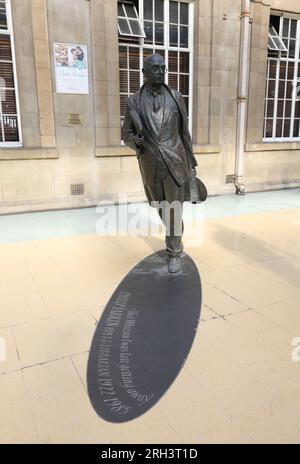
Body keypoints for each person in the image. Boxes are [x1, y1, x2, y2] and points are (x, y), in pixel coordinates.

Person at [122, 54, 198, 273]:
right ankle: (176, 235)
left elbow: (185, 132)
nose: (160, 71)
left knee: (174, 210)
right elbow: (126, 133)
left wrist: (191, 162)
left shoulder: (176, 97)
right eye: (155, 68)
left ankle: (173, 251)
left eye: (163, 68)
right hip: (150, 164)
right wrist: (133, 142)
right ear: (144, 72)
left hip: (175, 162)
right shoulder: (133, 101)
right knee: (161, 208)